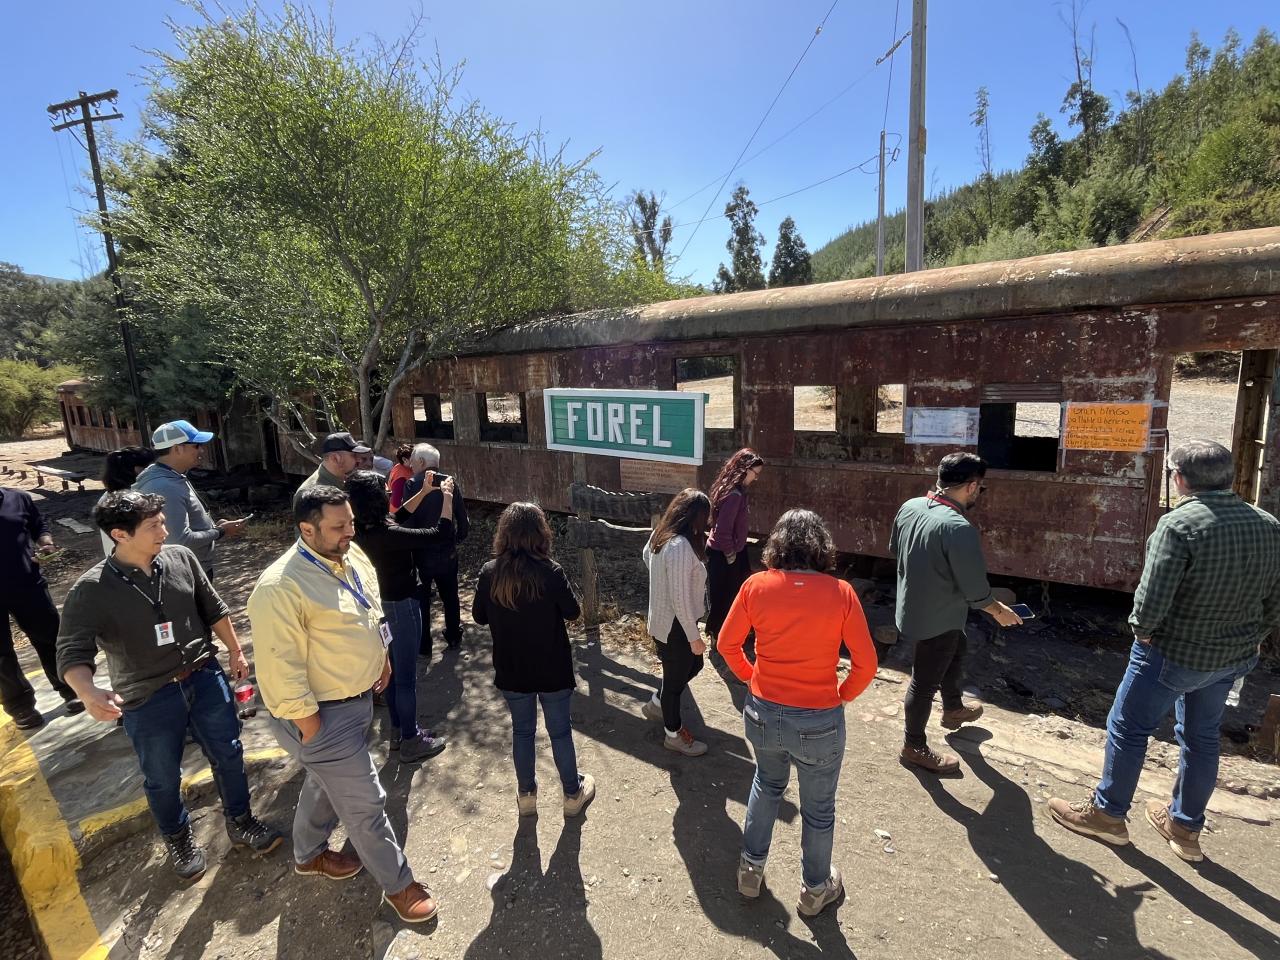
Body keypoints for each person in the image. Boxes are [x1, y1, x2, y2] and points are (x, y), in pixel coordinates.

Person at [1049, 440, 1280, 862]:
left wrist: (1143, 631)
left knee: (1128, 727)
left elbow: (1153, 595)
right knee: (1201, 737)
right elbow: (1275, 598)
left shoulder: (1179, 525)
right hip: (1233, 656)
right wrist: (1253, 636)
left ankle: (1107, 815)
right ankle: (1185, 828)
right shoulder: (1266, 523)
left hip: (1174, 652)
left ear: (1180, 478)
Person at [56, 491, 282, 880]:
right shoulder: (91, 589)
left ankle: (242, 821)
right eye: (154, 525)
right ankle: (178, 838)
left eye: (162, 521)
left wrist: (235, 651)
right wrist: (88, 693)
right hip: (147, 697)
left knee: (228, 752)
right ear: (120, 535)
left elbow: (213, 608)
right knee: (162, 775)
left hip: (203, 675)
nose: (165, 529)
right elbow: (71, 652)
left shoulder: (180, 558)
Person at [248, 485, 438, 923]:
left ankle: (308, 853)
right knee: (366, 801)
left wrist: (382, 657)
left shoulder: (350, 556)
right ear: (306, 529)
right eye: (339, 526)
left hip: (356, 703)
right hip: (320, 714)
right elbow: (280, 670)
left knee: (325, 782)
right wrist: (313, 728)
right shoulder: (280, 587)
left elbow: (370, 613)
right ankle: (399, 885)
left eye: (350, 522)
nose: (350, 531)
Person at [716, 509, 877, 916]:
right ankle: (814, 889)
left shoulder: (756, 586)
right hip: (819, 718)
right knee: (819, 809)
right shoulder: (841, 593)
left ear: (777, 544)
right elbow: (867, 663)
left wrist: (752, 678)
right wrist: (842, 694)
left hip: (764, 713)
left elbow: (726, 644)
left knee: (766, 785)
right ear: (821, 547)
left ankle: (750, 870)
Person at [889, 452, 1022, 774]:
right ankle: (914, 746)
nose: (979, 494)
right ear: (971, 486)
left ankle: (953, 708)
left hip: (913, 606)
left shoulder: (911, 506)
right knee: (922, 684)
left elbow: (896, 549)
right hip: (938, 616)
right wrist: (998, 610)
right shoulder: (957, 527)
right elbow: (976, 589)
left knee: (957, 647)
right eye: (981, 488)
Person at [473, 503, 594, 819]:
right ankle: (572, 793)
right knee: (560, 732)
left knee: (522, 732)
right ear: (541, 532)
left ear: (504, 533)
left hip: (512, 669)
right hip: (552, 668)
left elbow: (478, 616)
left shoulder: (490, 572)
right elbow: (572, 612)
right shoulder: (551, 571)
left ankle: (526, 794)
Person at [347, 470, 452, 763]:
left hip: (380, 608)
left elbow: (400, 516)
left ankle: (400, 730)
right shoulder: (386, 535)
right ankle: (411, 741)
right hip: (401, 607)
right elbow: (438, 533)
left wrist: (426, 491)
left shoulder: (362, 530)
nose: (389, 493)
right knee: (405, 679)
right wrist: (447, 497)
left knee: (392, 675)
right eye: (384, 490)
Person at [1, 487, 82, 728]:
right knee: (1, 654)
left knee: (50, 638)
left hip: (27, 585)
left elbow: (38, 526)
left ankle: (71, 689)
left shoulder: (18, 498)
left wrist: (46, 544)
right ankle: (20, 706)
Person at [640, 488, 712, 756]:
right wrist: (694, 636)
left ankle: (658, 704)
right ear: (694, 516)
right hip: (676, 627)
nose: (708, 522)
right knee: (674, 682)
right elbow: (680, 599)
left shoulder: (660, 534)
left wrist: (661, 578)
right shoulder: (680, 546)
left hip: (663, 622)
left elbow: (646, 556)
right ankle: (673, 734)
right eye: (705, 516)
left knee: (692, 665)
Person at [135, 420, 246, 579]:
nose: (201, 450)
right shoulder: (164, 486)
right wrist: (220, 531)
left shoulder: (171, 476)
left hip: (190, 568)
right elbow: (180, 541)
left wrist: (213, 528)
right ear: (177, 448)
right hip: (184, 573)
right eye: (196, 445)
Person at [401, 443, 469, 656]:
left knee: (422, 599)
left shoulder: (413, 484)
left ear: (421, 462)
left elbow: (407, 521)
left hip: (421, 552)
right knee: (451, 596)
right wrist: (456, 539)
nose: (410, 464)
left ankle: (424, 645)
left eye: (412, 460)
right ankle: (454, 636)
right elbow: (462, 519)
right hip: (446, 551)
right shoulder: (449, 482)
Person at [705, 449, 765, 639]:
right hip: (726, 553)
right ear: (745, 470)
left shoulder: (728, 489)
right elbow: (723, 530)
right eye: (755, 473)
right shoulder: (734, 496)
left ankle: (725, 634)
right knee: (727, 597)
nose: (755, 479)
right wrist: (731, 556)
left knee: (726, 595)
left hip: (727, 550)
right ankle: (723, 636)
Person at [97, 445, 157, 556]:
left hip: (118, 562)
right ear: (138, 469)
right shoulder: (135, 501)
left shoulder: (107, 497)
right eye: (151, 467)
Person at [293, 432, 369, 509]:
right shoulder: (309, 494)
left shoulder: (345, 480)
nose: (359, 460)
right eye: (353, 455)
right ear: (335, 458)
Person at [387, 444, 414, 510]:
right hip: (398, 513)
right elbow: (396, 503)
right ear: (405, 459)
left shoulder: (401, 467)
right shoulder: (401, 477)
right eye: (414, 458)